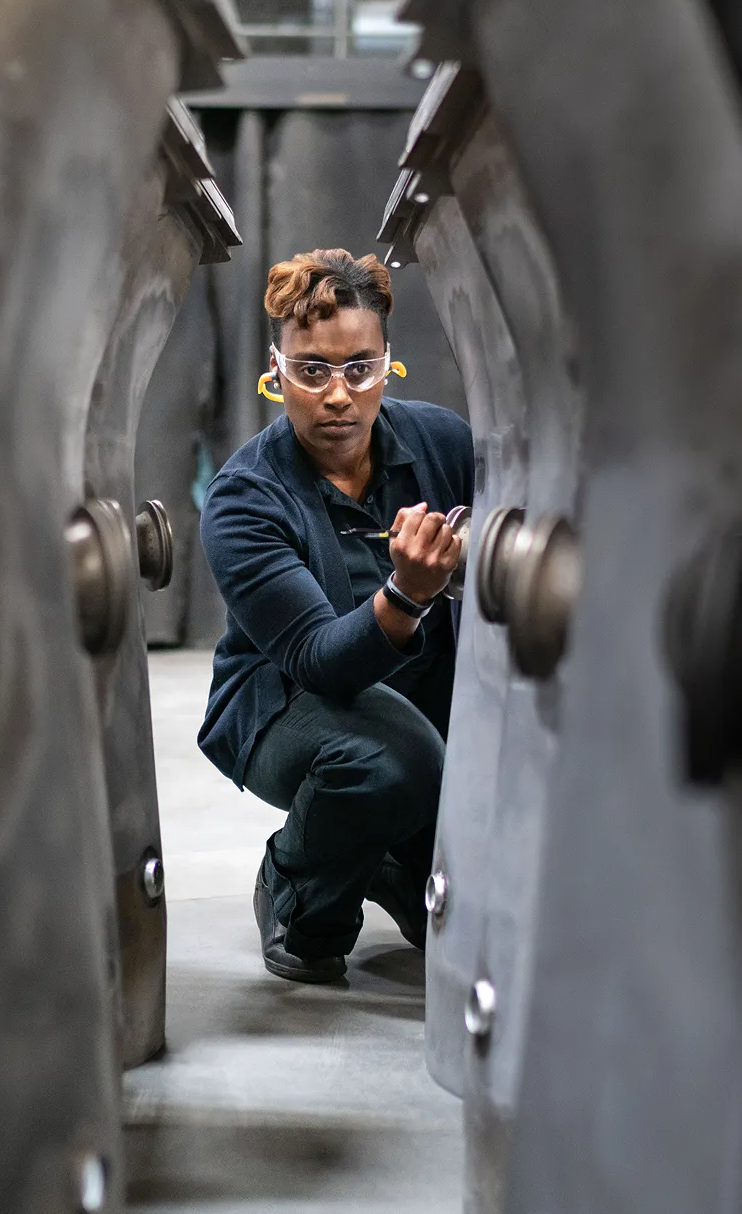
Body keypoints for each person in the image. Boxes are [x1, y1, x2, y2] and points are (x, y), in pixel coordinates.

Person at [197, 248, 472, 982]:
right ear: (276, 368)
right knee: (394, 763)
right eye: (312, 369)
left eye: (361, 367)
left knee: (451, 911)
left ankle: (392, 855)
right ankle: (293, 887)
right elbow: (321, 657)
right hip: (295, 708)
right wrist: (410, 591)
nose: (339, 394)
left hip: (424, 712)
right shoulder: (244, 498)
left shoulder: (442, 444)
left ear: (389, 363)